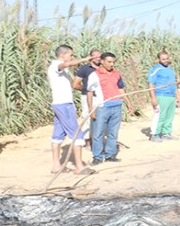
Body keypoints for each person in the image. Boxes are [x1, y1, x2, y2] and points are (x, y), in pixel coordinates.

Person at [46, 45, 94, 175]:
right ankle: (79, 167)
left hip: (60, 104)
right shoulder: (57, 66)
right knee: (76, 134)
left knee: (58, 135)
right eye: (70, 55)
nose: (72, 57)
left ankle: (56, 166)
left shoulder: (59, 67)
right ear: (63, 55)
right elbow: (66, 64)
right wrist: (85, 59)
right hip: (63, 105)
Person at [87, 51, 134, 162]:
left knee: (113, 133)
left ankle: (110, 155)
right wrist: (91, 109)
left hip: (116, 106)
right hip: (102, 108)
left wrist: (128, 103)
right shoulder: (94, 75)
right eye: (109, 62)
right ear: (102, 62)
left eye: (113, 62)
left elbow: (121, 89)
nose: (111, 64)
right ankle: (97, 157)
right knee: (98, 133)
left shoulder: (116, 74)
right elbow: (89, 92)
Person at [146, 50, 180, 142]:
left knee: (169, 116)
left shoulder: (170, 70)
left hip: (171, 97)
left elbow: (174, 83)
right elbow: (151, 84)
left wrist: (177, 95)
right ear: (159, 59)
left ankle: (166, 133)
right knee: (159, 116)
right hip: (161, 95)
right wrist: (153, 98)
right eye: (163, 59)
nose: (166, 60)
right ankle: (155, 134)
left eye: (167, 58)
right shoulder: (156, 69)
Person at [72, 49, 101, 150]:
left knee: (101, 118)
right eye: (95, 56)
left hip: (101, 97)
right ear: (90, 57)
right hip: (88, 97)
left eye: (99, 56)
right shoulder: (85, 69)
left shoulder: (102, 68)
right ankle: (88, 142)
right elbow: (75, 84)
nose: (98, 58)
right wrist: (87, 90)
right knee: (88, 118)